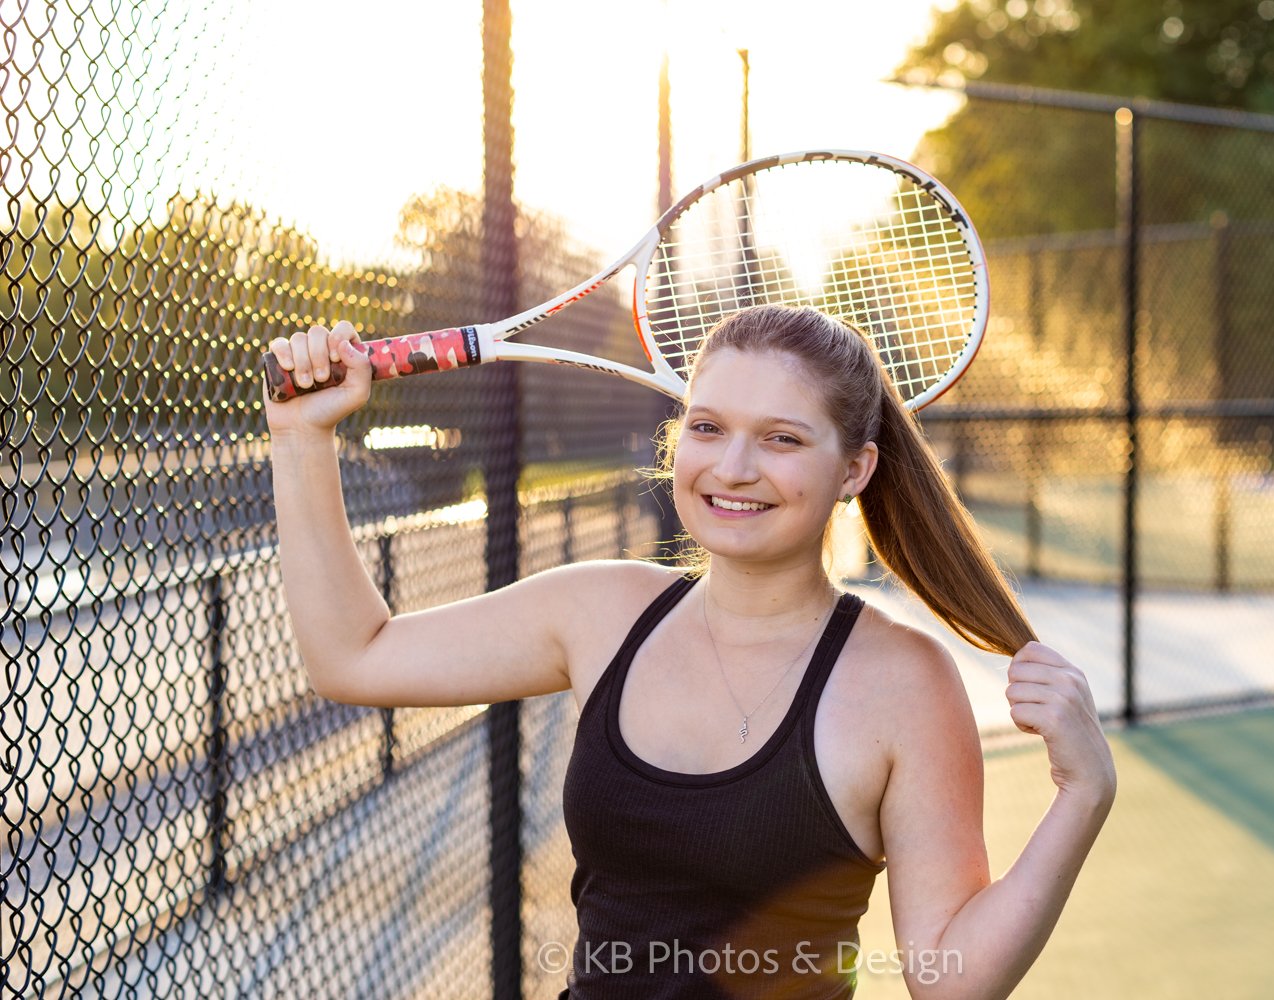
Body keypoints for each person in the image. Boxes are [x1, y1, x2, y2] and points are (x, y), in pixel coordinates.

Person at [263, 305, 1116, 999]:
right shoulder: (600, 611)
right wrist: (302, 437)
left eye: (782, 439)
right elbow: (354, 656)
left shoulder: (902, 682)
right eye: (708, 427)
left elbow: (950, 979)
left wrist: (1082, 795)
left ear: (855, 469)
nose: (733, 467)